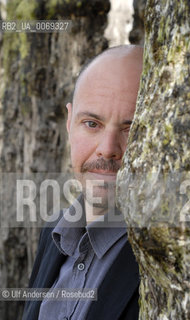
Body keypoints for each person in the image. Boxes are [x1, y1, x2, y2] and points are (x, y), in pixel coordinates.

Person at [22, 44, 143, 320]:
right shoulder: (54, 232)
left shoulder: (166, 255)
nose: (108, 148)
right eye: (92, 124)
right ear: (69, 122)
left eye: (131, 129)